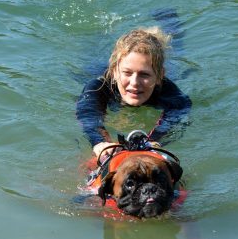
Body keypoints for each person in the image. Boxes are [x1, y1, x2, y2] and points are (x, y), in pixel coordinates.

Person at [76, 26, 192, 159]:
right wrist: (99, 142)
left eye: (144, 75)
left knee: (178, 55)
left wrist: (154, 141)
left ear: (160, 76)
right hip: (94, 69)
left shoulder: (172, 94)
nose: (135, 82)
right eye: (127, 73)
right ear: (114, 71)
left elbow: (175, 116)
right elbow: (87, 114)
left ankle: (170, 22)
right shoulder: (97, 87)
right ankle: (97, 31)